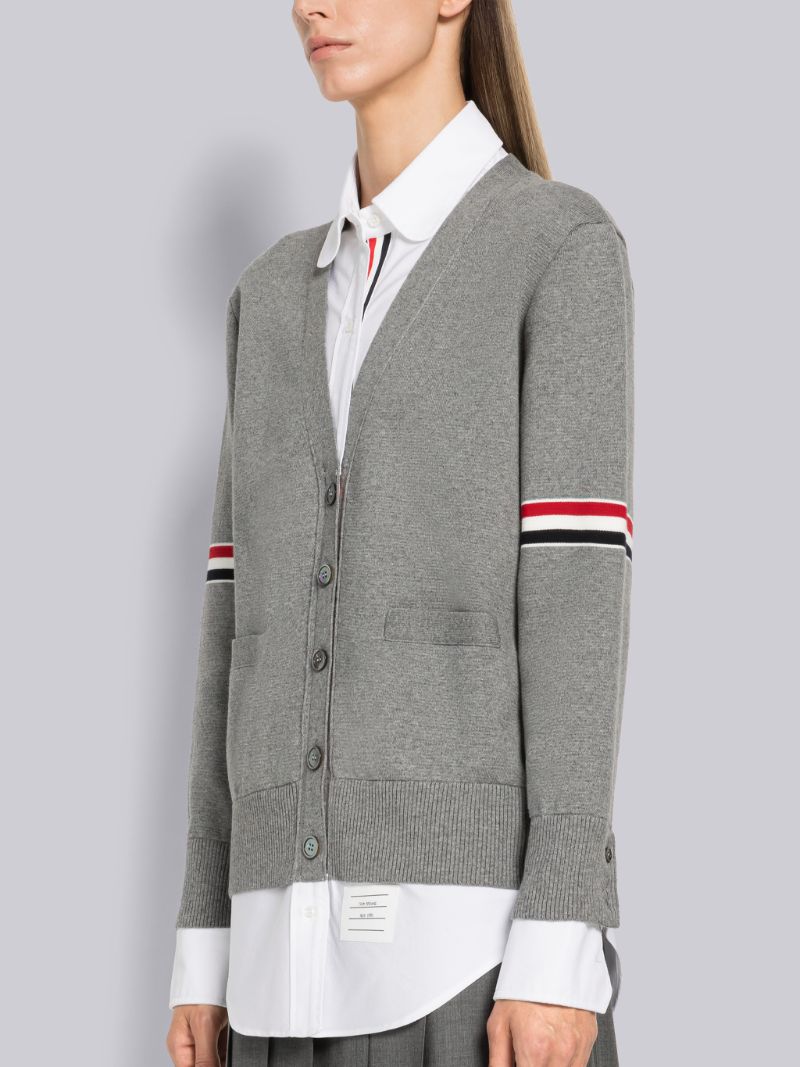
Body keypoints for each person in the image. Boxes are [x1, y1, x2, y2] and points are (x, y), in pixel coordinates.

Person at [166, 2, 635, 1066]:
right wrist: (203, 940)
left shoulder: (557, 250)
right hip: (268, 982)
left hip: (469, 963)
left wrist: (560, 935)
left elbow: (576, 609)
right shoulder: (268, 296)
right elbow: (232, 631)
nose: (310, 5)